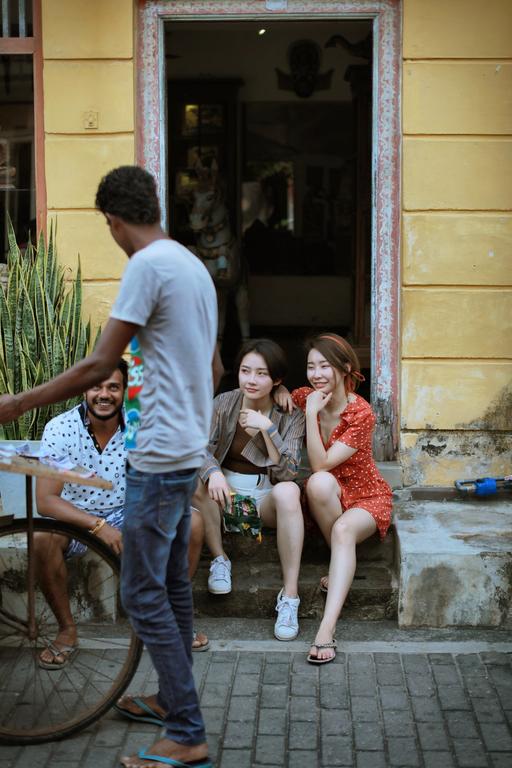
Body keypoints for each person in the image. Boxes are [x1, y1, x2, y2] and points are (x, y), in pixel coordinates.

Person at [0, 165, 221, 768]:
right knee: (171, 585)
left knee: (142, 593)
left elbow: (100, 365)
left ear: (114, 221)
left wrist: (15, 403)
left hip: (157, 456)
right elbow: (217, 370)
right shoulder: (192, 266)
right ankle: (174, 700)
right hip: (184, 450)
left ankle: (187, 731)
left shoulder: (146, 266)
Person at [35, 361, 208, 670]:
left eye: (113, 387)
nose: (104, 394)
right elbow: (46, 502)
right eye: (97, 387)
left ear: (125, 391)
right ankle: (66, 631)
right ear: (84, 390)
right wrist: (98, 526)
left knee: (192, 522)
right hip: (76, 516)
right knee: (41, 538)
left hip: (130, 510)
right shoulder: (60, 429)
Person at [290, 333, 392, 665]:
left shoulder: (360, 413)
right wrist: (282, 393)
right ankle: (341, 562)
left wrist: (309, 415)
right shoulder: (307, 395)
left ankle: (326, 629)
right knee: (317, 484)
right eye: (311, 366)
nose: (317, 374)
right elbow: (281, 396)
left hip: (366, 497)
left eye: (325, 366)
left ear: (345, 367)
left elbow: (320, 462)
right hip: (331, 495)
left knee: (342, 525)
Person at [194, 338, 305, 640]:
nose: (251, 380)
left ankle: (290, 597)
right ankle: (220, 559)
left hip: (265, 499)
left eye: (261, 374)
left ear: (277, 379)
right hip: (225, 499)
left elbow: (288, 472)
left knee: (290, 492)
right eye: (245, 371)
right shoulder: (224, 403)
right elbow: (198, 448)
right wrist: (213, 472)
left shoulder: (291, 415)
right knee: (195, 477)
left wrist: (267, 429)